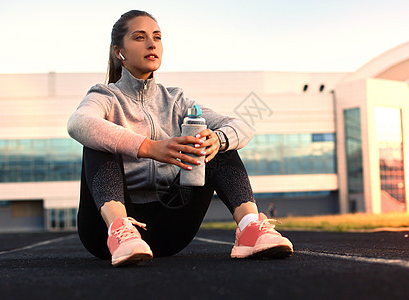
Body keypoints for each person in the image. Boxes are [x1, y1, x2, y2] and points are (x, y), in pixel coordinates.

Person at [67, 9, 293, 267]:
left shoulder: (176, 101)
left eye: (157, 37)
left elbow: (240, 126)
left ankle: (250, 229)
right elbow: (78, 123)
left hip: (169, 227)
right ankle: (121, 230)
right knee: (98, 137)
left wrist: (218, 140)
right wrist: (150, 148)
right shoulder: (105, 96)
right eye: (140, 37)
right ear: (120, 52)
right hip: (103, 233)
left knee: (213, 140)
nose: (152, 44)